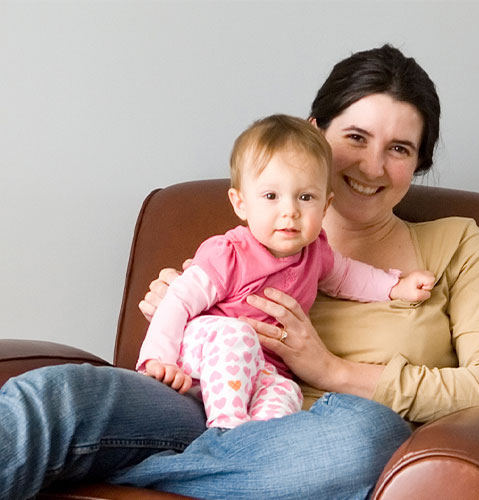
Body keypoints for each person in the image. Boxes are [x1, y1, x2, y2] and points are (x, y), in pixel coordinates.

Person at [0, 44, 479, 500]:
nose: (372, 166)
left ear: (419, 162)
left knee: (368, 440)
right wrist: (178, 306)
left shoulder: (455, 244)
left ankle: (128, 468)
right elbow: (200, 316)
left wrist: (330, 370)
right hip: (203, 402)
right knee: (64, 394)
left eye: (399, 149)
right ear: (315, 134)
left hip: (316, 437)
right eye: (357, 137)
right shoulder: (254, 229)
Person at [139, 113, 435, 429]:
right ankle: (226, 430)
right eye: (271, 196)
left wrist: (395, 287)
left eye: (305, 197)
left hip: (261, 369)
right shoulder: (229, 253)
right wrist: (159, 360)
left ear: (324, 206)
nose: (290, 211)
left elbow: (349, 277)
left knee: (285, 390)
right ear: (240, 203)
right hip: (204, 354)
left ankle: (259, 445)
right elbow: (177, 300)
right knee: (237, 335)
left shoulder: (316, 252)